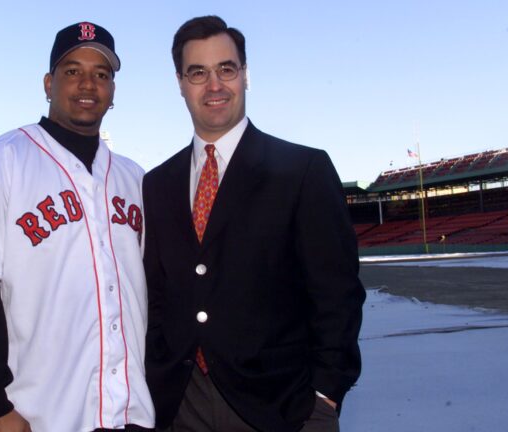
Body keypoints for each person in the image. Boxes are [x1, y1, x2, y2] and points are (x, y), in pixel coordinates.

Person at [142, 16, 365, 432]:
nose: (214, 85)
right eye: (198, 73)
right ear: (179, 82)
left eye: (226, 69)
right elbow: (157, 295)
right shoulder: (156, 184)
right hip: (178, 405)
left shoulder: (303, 170)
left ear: (245, 75)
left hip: (280, 407)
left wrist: (324, 397)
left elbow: (338, 295)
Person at [0, 21, 154, 432]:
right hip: (39, 416)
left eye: (101, 74)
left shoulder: (135, 178)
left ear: (113, 91)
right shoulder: (2, 162)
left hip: (133, 414)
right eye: (73, 71)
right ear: (48, 83)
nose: (87, 84)